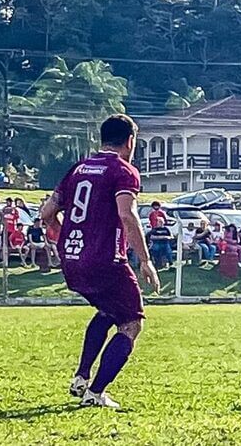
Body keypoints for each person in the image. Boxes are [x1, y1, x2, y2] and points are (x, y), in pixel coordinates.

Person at [40, 113, 160, 409]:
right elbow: (127, 214)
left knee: (108, 311)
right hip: (105, 258)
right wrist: (144, 260)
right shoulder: (124, 171)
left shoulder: (78, 168)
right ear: (130, 141)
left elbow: (46, 213)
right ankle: (95, 393)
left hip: (72, 258)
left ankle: (81, 376)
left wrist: (59, 231)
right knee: (131, 323)